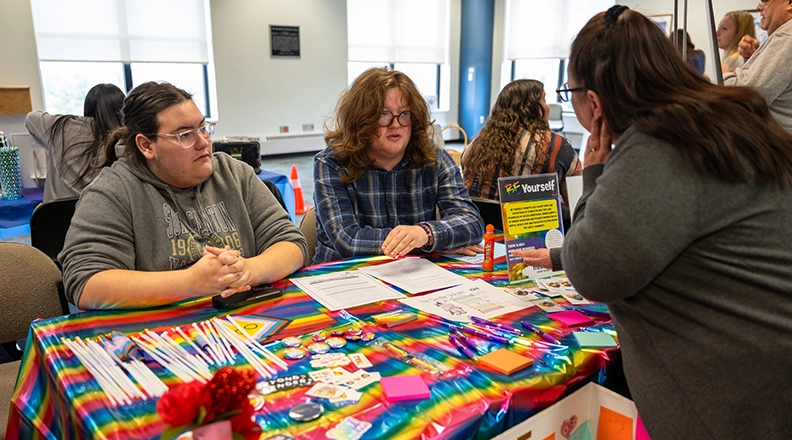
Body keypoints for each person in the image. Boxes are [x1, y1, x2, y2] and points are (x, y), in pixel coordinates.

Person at [529, 6, 792, 440]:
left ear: (595, 103)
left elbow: (591, 267)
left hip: (751, 431)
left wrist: (594, 171)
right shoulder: (726, 123)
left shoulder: (660, 146)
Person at [59, 82, 306, 310]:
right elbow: (86, 283)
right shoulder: (113, 191)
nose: (203, 143)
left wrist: (248, 270)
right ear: (146, 145)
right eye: (184, 135)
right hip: (158, 337)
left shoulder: (234, 173)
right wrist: (190, 283)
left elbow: (292, 245)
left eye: (203, 128)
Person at [313, 68, 483, 263]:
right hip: (342, 276)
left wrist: (424, 233)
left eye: (404, 114)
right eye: (383, 114)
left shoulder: (435, 159)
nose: (396, 124)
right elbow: (348, 240)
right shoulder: (331, 163)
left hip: (411, 275)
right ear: (361, 120)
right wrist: (426, 241)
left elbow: (472, 222)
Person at [461, 79, 582, 219]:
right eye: (544, 100)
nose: (547, 107)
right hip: (531, 233)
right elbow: (576, 202)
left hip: (481, 230)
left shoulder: (476, 144)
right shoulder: (555, 146)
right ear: (532, 107)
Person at [25, 83, 124, 202]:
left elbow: (31, 117)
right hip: (101, 214)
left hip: (54, 216)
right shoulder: (123, 141)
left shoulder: (61, 126)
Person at [724, 0, 792, 137]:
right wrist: (751, 60)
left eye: (765, 1)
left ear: (790, 2)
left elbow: (747, 98)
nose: (758, 6)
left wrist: (723, 74)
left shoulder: (790, 36)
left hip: (783, 150)